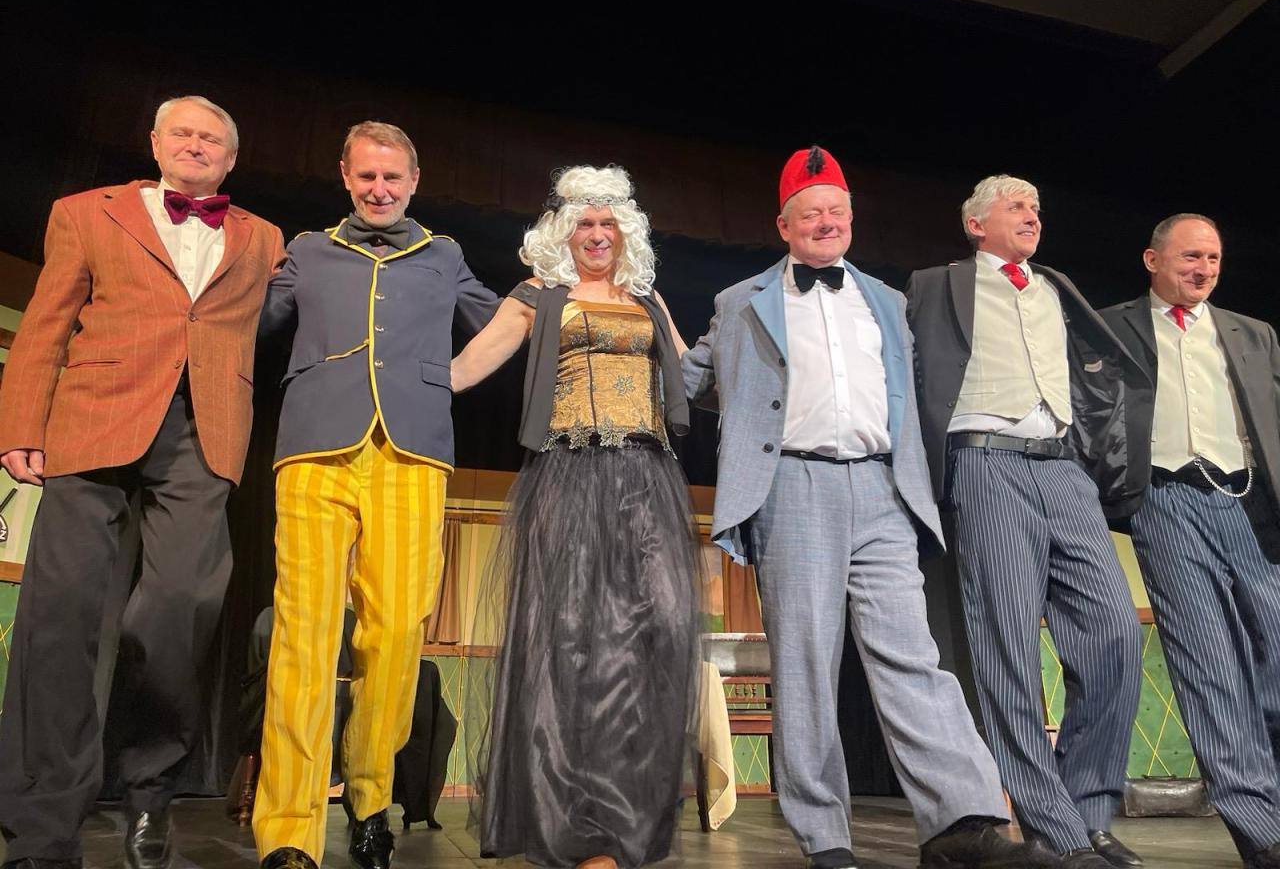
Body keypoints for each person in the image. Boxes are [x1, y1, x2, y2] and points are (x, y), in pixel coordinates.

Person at [682, 147, 1051, 869]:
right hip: (794, 487)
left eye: (837, 212)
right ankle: (825, 837)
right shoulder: (740, 301)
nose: (826, 222)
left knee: (913, 655)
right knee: (806, 663)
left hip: (883, 489)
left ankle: (961, 823)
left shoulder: (887, 300)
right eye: (810, 213)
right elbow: (690, 379)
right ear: (783, 226)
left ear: (851, 220)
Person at [0, 96, 284, 869]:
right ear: (155, 143)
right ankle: (41, 824)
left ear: (230, 159)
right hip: (93, 417)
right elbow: (46, 323)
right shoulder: (86, 213)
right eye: (182, 132)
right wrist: (22, 423)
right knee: (60, 619)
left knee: (181, 607)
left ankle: (149, 790)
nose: (196, 144)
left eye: (211, 138)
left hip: (203, 430)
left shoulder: (262, 236)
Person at [251, 121, 498, 869]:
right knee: (304, 636)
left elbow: (503, 322)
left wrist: (571, 300)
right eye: (367, 176)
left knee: (394, 637)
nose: (380, 189)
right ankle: (288, 830)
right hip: (314, 449)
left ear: (414, 181)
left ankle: (368, 801)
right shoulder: (308, 249)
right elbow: (248, 319)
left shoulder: (444, 254)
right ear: (345, 176)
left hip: (412, 451)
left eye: (393, 177)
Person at [452, 164, 701, 869]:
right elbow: (466, 368)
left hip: (648, 477)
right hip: (569, 473)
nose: (597, 234)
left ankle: (627, 817)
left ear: (626, 233)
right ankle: (577, 825)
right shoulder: (538, 297)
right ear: (563, 233)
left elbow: (694, 374)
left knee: (657, 632)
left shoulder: (648, 300)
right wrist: (375, 378)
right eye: (585, 223)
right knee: (570, 642)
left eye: (608, 223)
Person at [905, 175, 1149, 869]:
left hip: (1063, 466)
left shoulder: (1056, 288)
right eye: (1016, 206)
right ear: (976, 224)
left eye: (1037, 206)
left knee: (1115, 631)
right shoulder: (936, 285)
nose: (1032, 215)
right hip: (984, 460)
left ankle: (1088, 810)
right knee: (1006, 647)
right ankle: (1054, 828)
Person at [1101, 215, 1280, 869]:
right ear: (1153, 260)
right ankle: (1262, 830)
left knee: (1276, 656)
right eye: (1189, 257)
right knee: (1209, 668)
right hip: (1167, 501)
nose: (1203, 269)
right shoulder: (1110, 327)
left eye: (1213, 259)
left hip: (1248, 503)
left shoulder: (1253, 333)